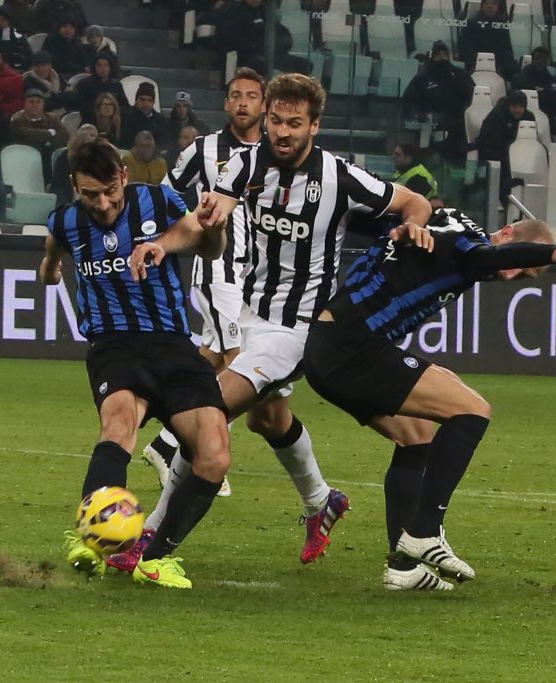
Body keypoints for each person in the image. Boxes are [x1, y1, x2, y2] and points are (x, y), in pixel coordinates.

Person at [128, 73, 433, 571]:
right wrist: (164, 243)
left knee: (208, 415)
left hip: (297, 329)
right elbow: (206, 219)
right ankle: (321, 502)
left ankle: (150, 539)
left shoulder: (339, 176)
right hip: (250, 314)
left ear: (315, 125)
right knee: (267, 419)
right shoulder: (245, 164)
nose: (283, 132)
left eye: (295, 123)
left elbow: (411, 201)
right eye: (276, 121)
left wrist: (413, 225)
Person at [303, 207, 556, 590]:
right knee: (472, 409)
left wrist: (408, 223)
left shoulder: (445, 223)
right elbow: (486, 256)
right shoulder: (470, 243)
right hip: (350, 347)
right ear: (505, 232)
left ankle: (404, 568)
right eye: (520, 260)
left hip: (329, 347)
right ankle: (424, 531)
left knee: (416, 435)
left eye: (523, 275)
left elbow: (410, 214)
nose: (512, 274)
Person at [42, 139, 231, 589]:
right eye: (90, 194)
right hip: (114, 346)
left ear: (124, 176)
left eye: (110, 190)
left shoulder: (158, 199)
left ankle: (156, 556)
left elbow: (209, 248)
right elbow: (50, 260)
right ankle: (89, 537)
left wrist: (214, 228)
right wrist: (51, 271)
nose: (103, 204)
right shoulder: (65, 222)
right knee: (120, 424)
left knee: (215, 454)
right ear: (75, 186)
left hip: (172, 343)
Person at [137, 67, 268, 503]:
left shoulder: (275, 153)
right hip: (219, 269)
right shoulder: (204, 150)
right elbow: (168, 194)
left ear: (264, 104)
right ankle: (191, 447)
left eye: (252, 95)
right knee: (241, 363)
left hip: (257, 276)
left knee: (210, 360)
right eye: (236, 95)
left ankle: (164, 439)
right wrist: (160, 240)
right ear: (227, 103)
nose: (244, 102)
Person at [401, 40, 474, 158]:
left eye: (443, 54)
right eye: (438, 54)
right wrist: (421, 116)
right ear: (432, 56)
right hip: (428, 128)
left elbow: (472, 97)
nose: (441, 57)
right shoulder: (423, 78)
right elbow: (409, 101)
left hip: (457, 129)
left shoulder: (459, 75)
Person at [10, 89, 69, 181]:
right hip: (26, 158)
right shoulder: (18, 120)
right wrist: (49, 133)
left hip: (49, 154)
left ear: (43, 104)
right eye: (31, 102)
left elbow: (64, 135)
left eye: (38, 102)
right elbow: (25, 136)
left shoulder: (52, 118)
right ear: (25, 103)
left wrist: (47, 142)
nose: (35, 105)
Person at [511, 47, 556, 133]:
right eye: (538, 59)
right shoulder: (520, 80)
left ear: (547, 61)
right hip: (528, 118)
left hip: (553, 118)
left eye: (544, 59)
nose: (541, 62)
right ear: (532, 60)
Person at [458, 0, 517, 81]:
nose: (490, 6)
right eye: (487, 3)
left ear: (498, 6)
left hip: (498, 66)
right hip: (474, 64)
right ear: (482, 5)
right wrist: (478, 61)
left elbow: (507, 49)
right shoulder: (472, 23)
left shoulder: (501, 25)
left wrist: (499, 64)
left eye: (494, 3)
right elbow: (465, 47)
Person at [49, 123, 97, 205]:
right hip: (67, 190)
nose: (87, 138)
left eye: (92, 135)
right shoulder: (66, 155)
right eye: (83, 135)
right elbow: (59, 182)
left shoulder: (101, 156)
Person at [74, 52, 129, 120]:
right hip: (91, 120)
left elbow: (125, 106)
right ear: (94, 67)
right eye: (99, 65)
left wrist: (113, 111)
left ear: (110, 67)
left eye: (106, 65)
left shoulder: (116, 85)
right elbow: (81, 106)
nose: (103, 68)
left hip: (113, 121)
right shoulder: (84, 84)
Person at [124, 81, 172, 152]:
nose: (145, 104)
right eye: (142, 100)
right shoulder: (125, 117)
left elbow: (164, 144)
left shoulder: (162, 121)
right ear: (136, 100)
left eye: (149, 100)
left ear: (153, 102)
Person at [0, 7, 32, 72]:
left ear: (8, 21)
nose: (0, 22)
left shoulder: (19, 38)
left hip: (14, 73)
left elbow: (28, 59)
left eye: (3, 19)